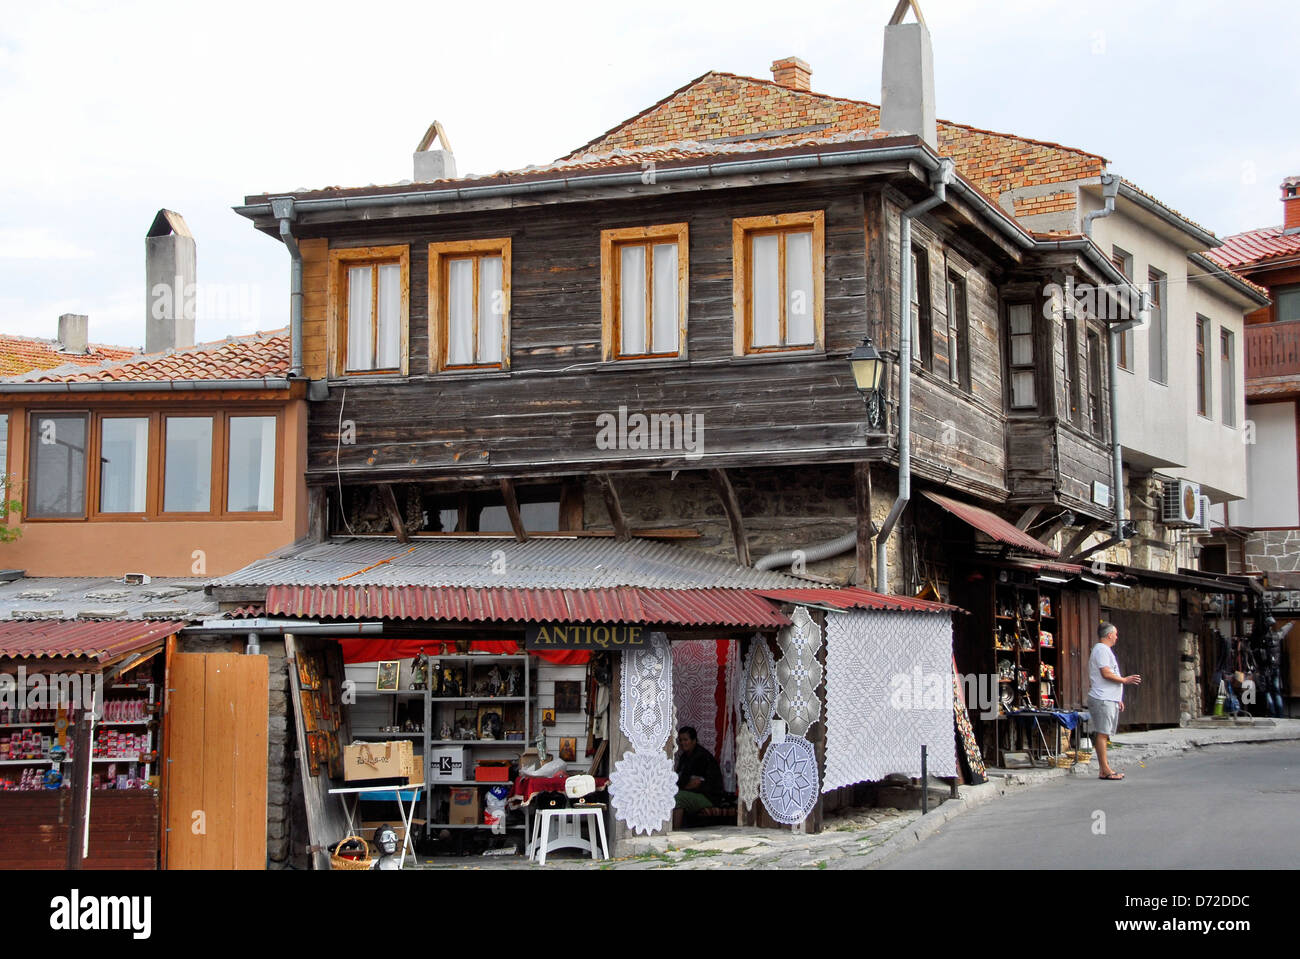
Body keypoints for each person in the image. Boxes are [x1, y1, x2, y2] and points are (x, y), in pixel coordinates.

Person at [1088, 622, 1141, 780]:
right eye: (1116, 634)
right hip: (1102, 698)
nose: (1117, 637)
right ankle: (1105, 769)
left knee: (1105, 734)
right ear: (1109, 635)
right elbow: (1106, 673)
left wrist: (1117, 697)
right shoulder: (1101, 650)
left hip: (1108, 697)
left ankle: (1104, 769)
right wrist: (1125, 680)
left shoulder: (1104, 650)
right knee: (1102, 734)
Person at [672, 727, 723, 828]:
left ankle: (675, 830)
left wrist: (691, 784)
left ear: (694, 740)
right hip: (694, 793)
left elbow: (700, 784)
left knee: (677, 797)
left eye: (686, 740)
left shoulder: (702, 757)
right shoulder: (684, 757)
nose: (683, 743)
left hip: (709, 797)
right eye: (681, 740)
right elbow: (683, 781)